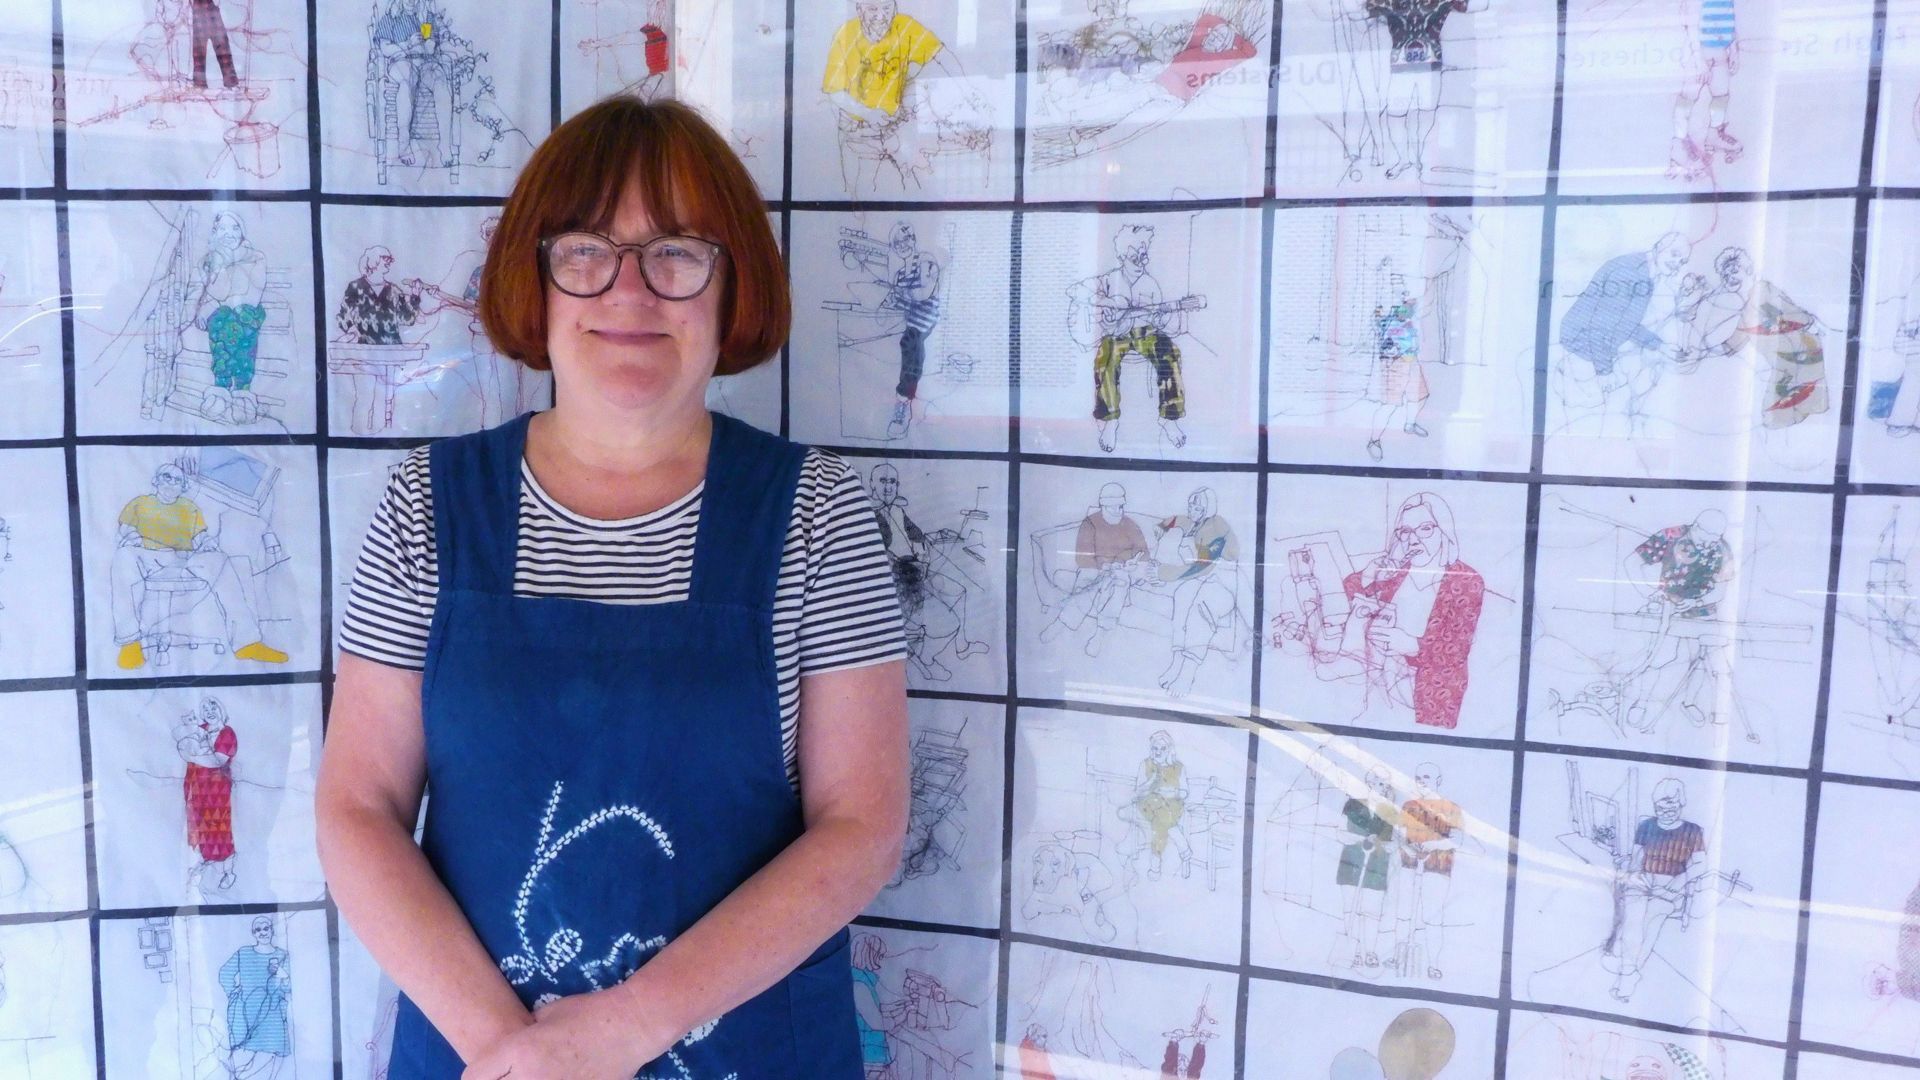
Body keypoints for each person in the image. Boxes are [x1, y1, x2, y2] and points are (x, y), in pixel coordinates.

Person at [316, 97, 909, 1079]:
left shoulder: (820, 515)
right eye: (586, 250)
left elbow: (860, 829)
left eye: (676, 253)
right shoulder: (425, 505)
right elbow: (357, 808)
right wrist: (513, 1053)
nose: (628, 292)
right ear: (536, 281)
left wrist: (627, 1029)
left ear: (732, 290)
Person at [109, 462, 288, 670]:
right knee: (123, 556)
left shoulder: (189, 507)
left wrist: (207, 543)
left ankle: (246, 643)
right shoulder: (139, 503)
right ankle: (129, 643)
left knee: (219, 560)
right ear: (156, 480)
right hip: (149, 556)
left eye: (178, 480)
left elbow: (200, 536)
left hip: (184, 557)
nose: (172, 483)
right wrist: (130, 538)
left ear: (183, 486)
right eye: (167, 477)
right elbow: (123, 532)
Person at [1342, 493, 1484, 730]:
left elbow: (1456, 652)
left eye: (1425, 528)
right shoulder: (1396, 572)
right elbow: (1351, 593)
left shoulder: (1466, 580)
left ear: (1444, 531)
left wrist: (1413, 645)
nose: (1413, 540)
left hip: (1430, 690)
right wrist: (1368, 576)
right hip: (1378, 682)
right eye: (1405, 531)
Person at [1606, 778, 1708, 1002]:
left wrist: (1679, 881)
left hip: (1672, 884)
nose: (1665, 812)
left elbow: (1701, 864)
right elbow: (1637, 856)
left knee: (1651, 921)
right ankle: (1629, 972)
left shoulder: (1693, 831)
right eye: (1660, 808)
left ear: (1681, 804)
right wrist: (1635, 874)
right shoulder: (1646, 826)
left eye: (1671, 807)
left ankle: (1627, 976)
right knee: (1634, 921)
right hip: (1644, 880)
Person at [178, 696, 241, 893]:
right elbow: (179, 735)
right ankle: (206, 863)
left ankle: (228, 872)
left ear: (221, 709)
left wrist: (191, 756)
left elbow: (218, 761)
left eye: (213, 707)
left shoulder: (227, 733)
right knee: (201, 828)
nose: (209, 712)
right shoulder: (203, 729)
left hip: (217, 792)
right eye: (205, 709)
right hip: (198, 790)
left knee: (221, 831)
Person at [219, 916, 293, 1079]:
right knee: (243, 1058)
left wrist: (283, 975)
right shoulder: (243, 953)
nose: (262, 933)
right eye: (257, 930)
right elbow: (225, 973)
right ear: (253, 934)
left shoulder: (283, 955)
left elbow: (288, 987)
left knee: (274, 1059)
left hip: (273, 1015)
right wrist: (234, 994)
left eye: (266, 928)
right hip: (247, 1014)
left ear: (272, 930)